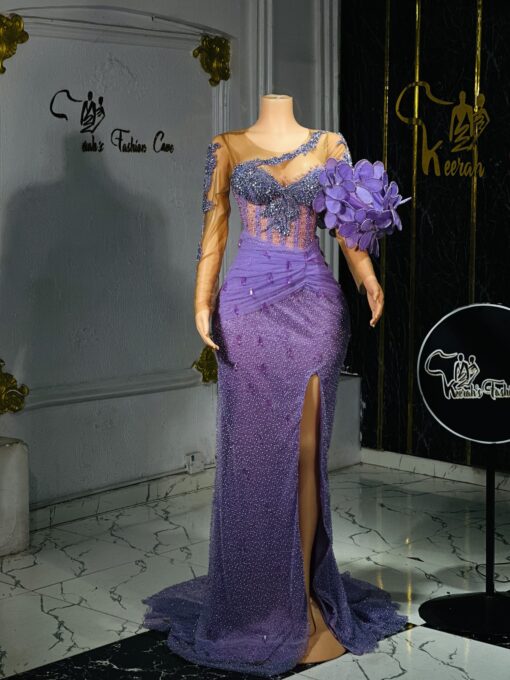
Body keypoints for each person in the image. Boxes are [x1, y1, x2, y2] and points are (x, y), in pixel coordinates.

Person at [141, 94, 408, 677]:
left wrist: (366, 275)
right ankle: (259, 601)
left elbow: (347, 226)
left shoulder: (331, 144)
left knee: (307, 453)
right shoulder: (227, 146)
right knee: (253, 455)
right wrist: (201, 299)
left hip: (315, 304)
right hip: (246, 308)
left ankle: (304, 597)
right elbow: (214, 228)